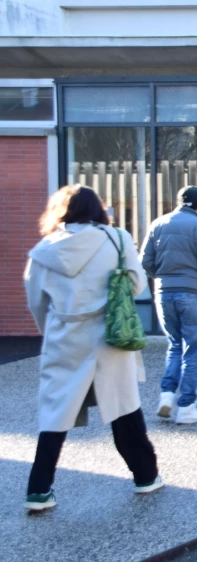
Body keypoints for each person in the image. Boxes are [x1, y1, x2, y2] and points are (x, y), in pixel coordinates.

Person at [23, 185, 162, 512]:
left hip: (64, 336)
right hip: (109, 335)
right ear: (98, 209)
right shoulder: (117, 238)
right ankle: (145, 476)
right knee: (123, 407)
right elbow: (137, 284)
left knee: (55, 414)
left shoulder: (44, 250)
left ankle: (38, 491)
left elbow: (35, 302)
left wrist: (54, 330)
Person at [140, 186, 197, 424]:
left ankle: (166, 396)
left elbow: (145, 261)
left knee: (174, 345)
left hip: (164, 292)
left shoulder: (158, 223)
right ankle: (186, 406)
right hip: (194, 293)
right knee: (192, 350)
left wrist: (161, 277)